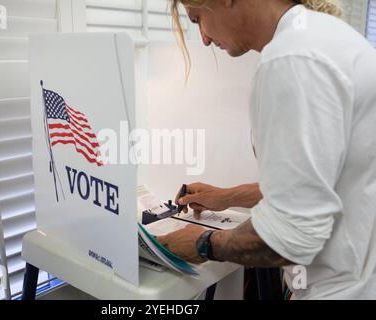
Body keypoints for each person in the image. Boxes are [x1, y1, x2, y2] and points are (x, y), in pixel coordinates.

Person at [157, 0, 376, 299]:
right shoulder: (325, 36)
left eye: (197, 20)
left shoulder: (290, 59)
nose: (204, 39)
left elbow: (290, 237)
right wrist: (225, 197)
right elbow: (313, 184)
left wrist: (203, 243)